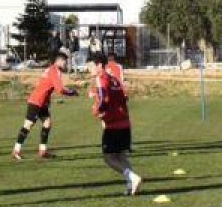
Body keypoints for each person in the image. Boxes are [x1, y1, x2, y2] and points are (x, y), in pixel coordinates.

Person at [88, 52, 142, 196]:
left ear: (99, 65)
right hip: (125, 123)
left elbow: (104, 99)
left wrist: (98, 111)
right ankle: (131, 185)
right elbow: (124, 99)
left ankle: (133, 177)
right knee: (121, 156)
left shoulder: (101, 78)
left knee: (108, 158)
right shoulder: (114, 80)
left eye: (91, 65)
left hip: (113, 125)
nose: (89, 69)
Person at [13, 51, 77, 160]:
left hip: (42, 102)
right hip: (37, 101)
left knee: (47, 123)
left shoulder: (50, 69)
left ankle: (43, 151)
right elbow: (60, 89)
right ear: (59, 61)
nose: (66, 64)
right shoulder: (55, 71)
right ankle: (16, 150)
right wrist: (71, 92)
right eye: (65, 61)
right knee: (28, 125)